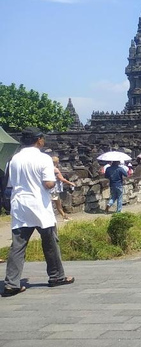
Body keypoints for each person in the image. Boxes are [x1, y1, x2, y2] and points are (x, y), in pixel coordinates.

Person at [3, 127, 74, 297]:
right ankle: (56, 276)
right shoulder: (44, 159)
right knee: (50, 241)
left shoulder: (14, 159)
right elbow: (48, 184)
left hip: (20, 204)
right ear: (38, 140)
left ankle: (11, 283)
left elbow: (11, 183)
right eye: (42, 139)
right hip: (39, 205)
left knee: (18, 246)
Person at [51, 156, 74, 221]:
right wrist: (70, 183)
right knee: (57, 204)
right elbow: (61, 178)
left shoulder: (47, 168)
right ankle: (64, 217)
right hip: (54, 189)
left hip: (49, 188)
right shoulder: (55, 169)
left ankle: (64, 216)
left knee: (57, 203)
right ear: (57, 162)